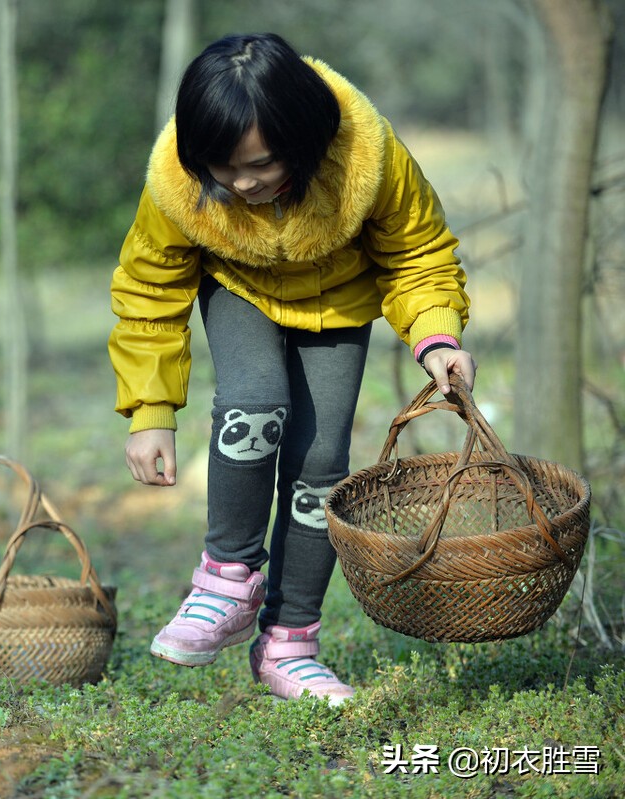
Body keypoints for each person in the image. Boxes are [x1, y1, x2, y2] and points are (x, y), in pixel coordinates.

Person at [108, 33, 476, 704]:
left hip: (338, 306)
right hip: (241, 291)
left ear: (303, 138)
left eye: (262, 164)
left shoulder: (366, 157)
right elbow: (150, 290)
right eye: (224, 167)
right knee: (254, 403)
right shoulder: (179, 183)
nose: (242, 183)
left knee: (321, 465)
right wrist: (150, 412)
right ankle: (225, 582)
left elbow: (419, 252)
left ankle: (289, 642)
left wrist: (437, 338)